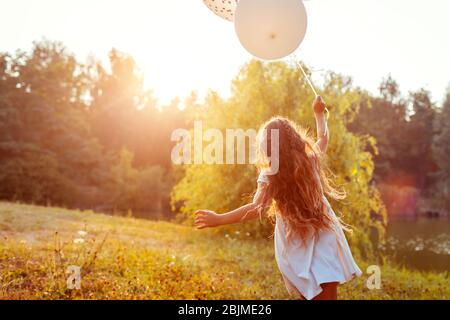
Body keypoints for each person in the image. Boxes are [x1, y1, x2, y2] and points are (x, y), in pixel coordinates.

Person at [195, 96, 362, 300]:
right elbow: (323, 138)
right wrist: (319, 114)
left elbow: (257, 208)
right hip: (320, 232)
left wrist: (220, 219)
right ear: (294, 139)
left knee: (310, 289)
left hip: (297, 240)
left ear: (267, 147)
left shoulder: (271, 174)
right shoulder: (309, 161)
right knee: (326, 286)